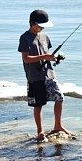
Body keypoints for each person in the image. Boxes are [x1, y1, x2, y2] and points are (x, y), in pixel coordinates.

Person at [18, 9, 70, 142]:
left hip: (49, 74)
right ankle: (40, 131)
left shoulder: (45, 37)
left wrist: (55, 59)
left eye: (43, 26)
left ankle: (58, 125)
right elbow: (26, 59)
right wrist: (45, 56)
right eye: (40, 25)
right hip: (34, 77)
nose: (42, 28)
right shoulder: (25, 38)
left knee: (59, 97)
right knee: (38, 104)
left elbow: (48, 54)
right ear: (32, 23)